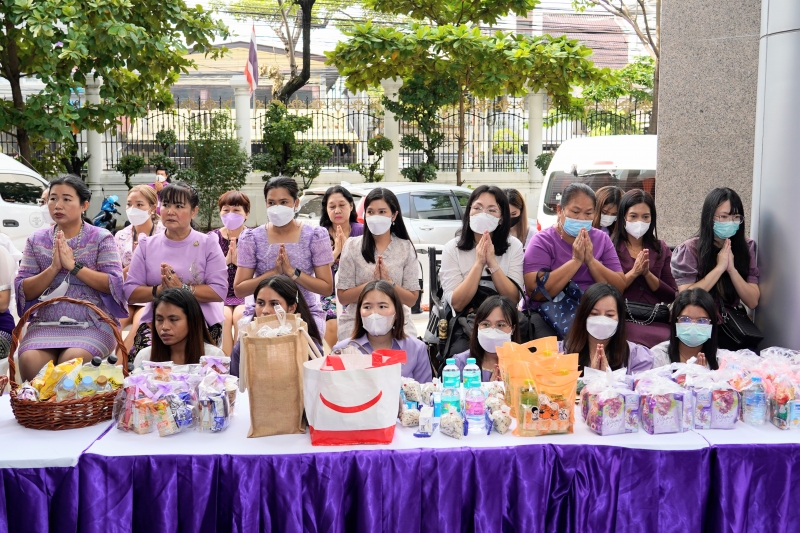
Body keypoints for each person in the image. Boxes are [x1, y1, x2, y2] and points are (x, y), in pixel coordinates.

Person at [15, 175, 128, 381]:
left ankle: (70, 413)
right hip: (46, 323)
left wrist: (73, 267)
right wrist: (53, 268)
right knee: (30, 360)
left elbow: (112, 284)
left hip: (92, 322)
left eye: (67, 199)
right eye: (53, 198)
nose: (58, 205)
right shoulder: (36, 240)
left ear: (84, 205)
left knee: (71, 362)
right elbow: (25, 289)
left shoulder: (101, 237)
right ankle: (42, 413)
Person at [123, 182, 228, 363]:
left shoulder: (207, 243)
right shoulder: (147, 245)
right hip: (159, 319)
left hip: (201, 318)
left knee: (198, 359)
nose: (170, 211)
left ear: (194, 211)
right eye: (166, 205)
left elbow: (219, 291)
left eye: (179, 206)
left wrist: (183, 289)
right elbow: (130, 292)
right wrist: (159, 291)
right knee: (145, 359)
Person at [234, 177, 333, 337]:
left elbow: (326, 287)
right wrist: (273, 273)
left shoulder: (314, 236)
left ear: (296, 203)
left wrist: (293, 272)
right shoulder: (252, 238)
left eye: (283, 202)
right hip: (263, 312)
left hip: (304, 311)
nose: (277, 208)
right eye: (271, 203)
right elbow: (239, 289)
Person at [523, 183, 626, 336]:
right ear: (560, 210)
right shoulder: (543, 240)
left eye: (588, 213)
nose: (582, 218)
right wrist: (576, 261)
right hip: (549, 313)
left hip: (594, 311)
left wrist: (591, 261)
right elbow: (535, 291)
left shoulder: (602, 239)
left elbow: (619, 286)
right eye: (575, 212)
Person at [671, 188, 760, 348]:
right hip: (696, 326)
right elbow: (686, 297)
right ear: (709, 217)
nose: (730, 222)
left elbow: (752, 301)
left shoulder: (746, 247)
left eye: (736, 217)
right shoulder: (690, 249)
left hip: (731, 327)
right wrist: (719, 268)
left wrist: (732, 269)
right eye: (724, 217)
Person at [336, 188, 420, 342]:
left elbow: (411, 299)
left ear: (394, 215)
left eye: (382, 212)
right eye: (371, 212)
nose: (376, 217)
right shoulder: (352, 246)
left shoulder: (405, 247)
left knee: (408, 349)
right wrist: (372, 284)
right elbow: (343, 297)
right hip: (357, 321)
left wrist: (389, 284)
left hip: (397, 321)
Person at [441, 185, 524, 312]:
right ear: (469, 212)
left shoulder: (514, 246)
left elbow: (513, 299)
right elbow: (457, 303)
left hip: (503, 318)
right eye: (477, 208)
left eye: (492, 210)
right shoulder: (452, 248)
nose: (483, 214)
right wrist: (479, 263)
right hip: (466, 320)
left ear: (501, 218)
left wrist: (492, 263)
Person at [612, 189, 677, 347]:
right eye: (633, 216)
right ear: (623, 218)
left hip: (654, 319)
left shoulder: (660, 248)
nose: (639, 222)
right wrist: (634, 273)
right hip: (621, 317)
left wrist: (647, 274)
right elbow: (606, 290)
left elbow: (671, 294)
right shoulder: (610, 246)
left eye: (645, 217)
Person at [332, 280, 431, 382]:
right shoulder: (343, 350)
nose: (374, 313)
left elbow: (426, 392)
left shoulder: (416, 349)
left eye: (382, 306)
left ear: (397, 312)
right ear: (359, 312)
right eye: (367, 307)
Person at [229, 275, 323, 377]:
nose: (265, 311)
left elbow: (318, 387)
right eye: (260, 303)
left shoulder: (308, 346)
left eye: (274, 304)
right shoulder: (243, 346)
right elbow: (236, 386)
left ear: (292, 308)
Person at [115, 185, 165, 354]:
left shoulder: (163, 234)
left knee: (136, 329)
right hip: (126, 295)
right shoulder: (121, 236)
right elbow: (116, 275)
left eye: (139, 205)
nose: (132, 209)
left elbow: (163, 271)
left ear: (152, 208)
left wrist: (143, 258)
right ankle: (107, 368)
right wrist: (134, 262)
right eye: (129, 204)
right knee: (113, 326)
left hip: (150, 295)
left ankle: (122, 369)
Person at [562, 283, 653, 375]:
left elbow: (642, 387)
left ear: (620, 318)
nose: (602, 320)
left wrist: (607, 378)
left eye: (609, 315)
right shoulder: (560, 352)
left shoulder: (637, 356)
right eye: (594, 314)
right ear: (583, 315)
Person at [318, 185, 364, 350]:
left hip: (356, 288)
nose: (337, 210)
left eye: (342, 205)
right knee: (331, 324)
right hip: (328, 291)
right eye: (332, 206)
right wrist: (337, 251)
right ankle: (334, 359)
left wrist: (347, 252)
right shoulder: (320, 234)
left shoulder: (362, 232)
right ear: (326, 209)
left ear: (351, 206)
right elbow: (317, 269)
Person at [132, 288, 225, 368]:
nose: (164, 327)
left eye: (173, 319)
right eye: (159, 320)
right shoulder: (145, 358)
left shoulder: (213, 357)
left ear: (192, 320)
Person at [208, 191, 250, 356]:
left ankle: (239, 362)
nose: (230, 214)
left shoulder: (252, 237)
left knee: (241, 317)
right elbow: (206, 273)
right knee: (223, 317)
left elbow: (257, 271)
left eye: (236, 210)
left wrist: (239, 264)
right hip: (221, 293)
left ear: (246, 214)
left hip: (244, 292)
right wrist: (225, 262)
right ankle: (225, 363)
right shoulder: (212, 238)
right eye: (226, 210)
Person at [650, 288, 727, 370]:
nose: (693, 326)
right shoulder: (657, 356)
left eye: (702, 320)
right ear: (675, 321)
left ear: (712, 324)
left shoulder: (722, 360)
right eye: (685, 319)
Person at [453, 295, 520, 382]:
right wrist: (490, 389)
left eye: (500, 325)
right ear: (477, 326)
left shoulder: (524, 364)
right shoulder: (460, 363)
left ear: (513, 329)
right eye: (486, 324)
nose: (492, 331)